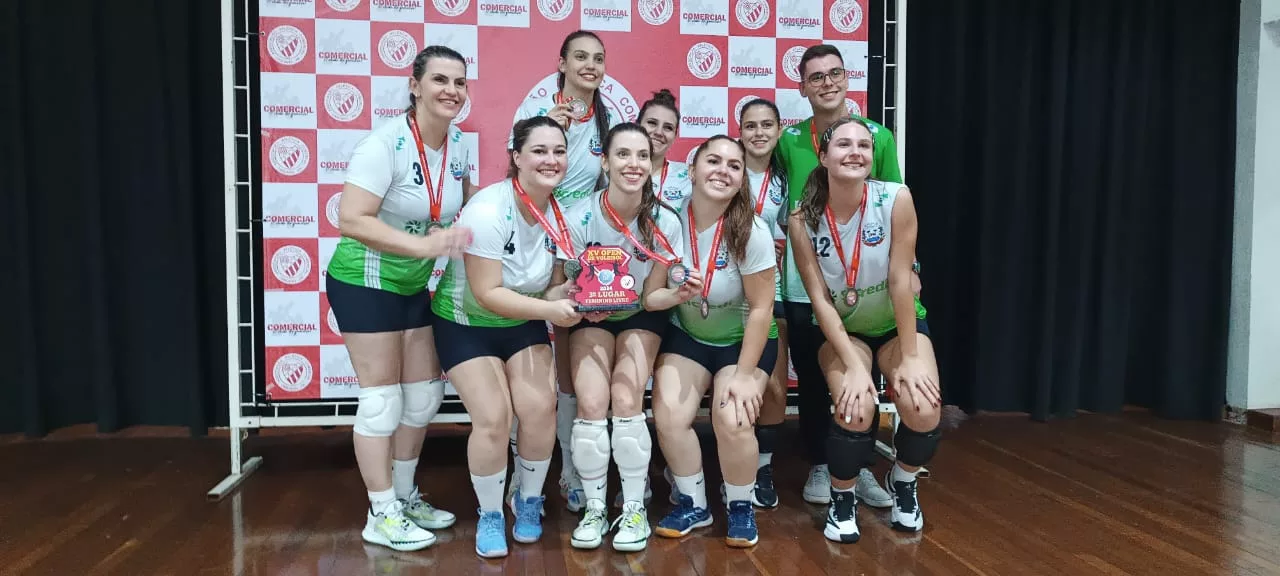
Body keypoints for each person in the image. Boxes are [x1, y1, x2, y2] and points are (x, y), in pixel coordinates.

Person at [325, 45, 472, 552]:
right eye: (439, 79)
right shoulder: (383, 144)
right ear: (415, 85)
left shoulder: (459, 146)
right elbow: (350, 219)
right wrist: (424, 245)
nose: (451, 90)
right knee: (382, 402)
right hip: (364, 281)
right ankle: (380, 513)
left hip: (413, 284)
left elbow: (462, 211)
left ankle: (405, 496)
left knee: (424, 397)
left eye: (459, 81)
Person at [431, 115, 583, 558]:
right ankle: (491, 512)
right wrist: (551, 309)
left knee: (539, 408)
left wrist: (572, 295)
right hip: (467, 323)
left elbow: (551, 286)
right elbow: (487, 292)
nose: (550, 160)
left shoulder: (559, 213)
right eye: (539, 150)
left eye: (558, 151)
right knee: (494, 417)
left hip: (523, 319)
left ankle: (528, 500)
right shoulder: (488, 210)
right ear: (516, 157)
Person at [788, 117, 940, 542]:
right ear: (824, 156)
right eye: (844, 144)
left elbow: (899, 279)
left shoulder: (896, 198)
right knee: (856, 408)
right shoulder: (802, 219)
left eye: (863, 146)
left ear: (873, 158)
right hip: (843, 330)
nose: (855, 152)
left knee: (923, 406)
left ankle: (904, 483)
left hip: (896, 323)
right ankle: (842, 500)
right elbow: (819, 299)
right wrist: (854, 366)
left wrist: (909, 357)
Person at [776, 43, 909, 507]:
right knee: (815, 373)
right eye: (816, 76)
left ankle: (860, 467)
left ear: (847, 78)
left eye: (835, 73)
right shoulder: (789, 140)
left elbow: (894, 204)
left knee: (865, 371)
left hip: (865, 279)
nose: (827, 82)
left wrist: (910, 271)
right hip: (805, 277)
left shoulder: (878, 136)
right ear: (802, 87)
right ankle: (819, 461)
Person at [508, 30, 622, 512]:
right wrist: (550, 130)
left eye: (598, 58)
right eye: (580, 57)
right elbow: (515, 172)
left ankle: (572, 472)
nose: (590, 66)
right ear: (562, 63)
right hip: (540, 236)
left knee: (573, 358)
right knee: (533, 358)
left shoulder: (607, 118)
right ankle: (521, 479)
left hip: (584, 242)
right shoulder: (538, 116)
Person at [555, 123, 682, 552]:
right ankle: (595, 508)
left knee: (626, 399)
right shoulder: (578, 215)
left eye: (642, 155)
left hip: (640, 315)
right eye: (623, 155)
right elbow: (558, 288)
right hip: (590, 319)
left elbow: (652, 296)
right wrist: (583, 299)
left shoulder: (663, 219)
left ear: (652, 163)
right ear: (605, 162)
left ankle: (633, 508)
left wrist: (680, 293)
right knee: (591, 402)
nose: (634, 164)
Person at [648, 135, 779, 548]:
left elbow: (761, 310)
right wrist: (676, 295)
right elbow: (651, 298)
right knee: (668, 417)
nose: (723, 170)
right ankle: (694, 503)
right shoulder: (666, 222)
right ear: (692, 170)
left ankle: (740, 504)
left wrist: (743, 375)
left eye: (734, 165)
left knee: (733, 417)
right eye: (713, 161)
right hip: (688, 334)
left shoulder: (752, 229)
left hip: (743, 342)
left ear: (742, 179)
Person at [737, 98, 789, 508]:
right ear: (740, 131)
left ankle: (762, 466)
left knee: (771, 380)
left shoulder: (786, 179)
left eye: (766, 124)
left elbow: (796, 226)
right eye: (750, 125)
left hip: (772, 287)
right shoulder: (726, 170)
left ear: (778, 129)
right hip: (724, 289)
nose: (758, 132)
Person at [637, 88, 693, 211]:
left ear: (674, 135)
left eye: (668, 127)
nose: (658, 132)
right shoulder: (616, 171)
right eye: (652, 123)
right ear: (637, 125)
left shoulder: (688, 177)